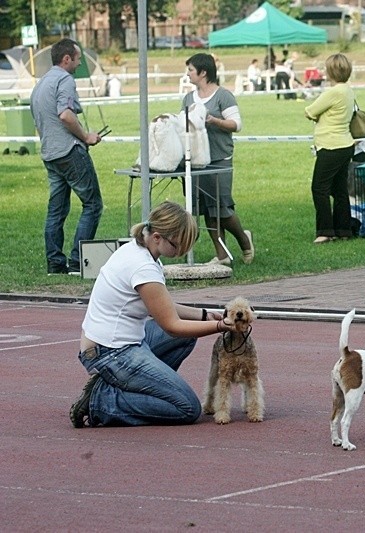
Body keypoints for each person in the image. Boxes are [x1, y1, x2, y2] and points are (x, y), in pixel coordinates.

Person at [68, 201, 239, 428]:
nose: (180, 253)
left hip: (119, 343)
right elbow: (171, 325)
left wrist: (204, 315)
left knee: (188, 334)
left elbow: (162, 305)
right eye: (177, 246)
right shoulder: (142, 267)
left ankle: (139, 387)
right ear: (157, 236)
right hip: (111, 353)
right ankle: (102, 401)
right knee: (187, 408)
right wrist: (220, 327)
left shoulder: (137, 249)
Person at [30, 38, 104, 275]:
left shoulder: (40, 84)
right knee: (93, 205)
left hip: (50, 153)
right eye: (78, 58)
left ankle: (55, 263)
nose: (79, 63)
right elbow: (65, 115)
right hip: (69, 151)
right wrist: (86, 137)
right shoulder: (65, 80)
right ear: (66, 59)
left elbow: (40, 122)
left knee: (57, 210)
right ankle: (77, 261)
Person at [183, 53, 254, 265]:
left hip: (220, 157)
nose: (187, 74)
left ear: (203, 72)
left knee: (222, 207)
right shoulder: (188, 99)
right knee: (206, 208)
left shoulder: (224, 96)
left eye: (190, 70)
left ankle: (244, 240)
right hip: (196, 160)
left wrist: (214, 121)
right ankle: (221, 255)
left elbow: (236, 124)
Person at [304, 53, 356, 244]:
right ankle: (343, 229)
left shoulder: (333, 92)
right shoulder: (348, 91)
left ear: (331, 71)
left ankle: (325, 231)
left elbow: (309, 111)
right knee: (340, 190)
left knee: (319, 188)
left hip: (331, 146)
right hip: (346, 144)